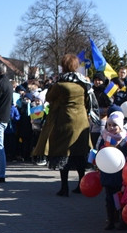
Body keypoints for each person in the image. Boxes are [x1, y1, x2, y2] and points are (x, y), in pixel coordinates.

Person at [33, 54, 92, 194]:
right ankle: (81, 186)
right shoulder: (84, 83)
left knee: (63, 154)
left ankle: (64, 187)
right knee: (79, 154)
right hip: (82, 121)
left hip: (65, 122)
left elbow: (48, 97)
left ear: (64, 66)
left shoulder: (60, 84)